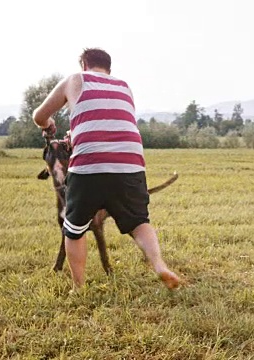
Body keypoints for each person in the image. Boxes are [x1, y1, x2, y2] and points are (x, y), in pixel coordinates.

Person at [32, 48, 180, 290]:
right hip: (131, 165)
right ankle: (159, 265)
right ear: (109, 69)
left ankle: (78, 287)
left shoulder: (75, 80)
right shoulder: (124, 86)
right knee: (139, 222)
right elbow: (106, 121)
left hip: (89, 167)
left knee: (74, 228)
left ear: (84, 64)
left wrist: (47, 123)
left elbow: (39, 115)